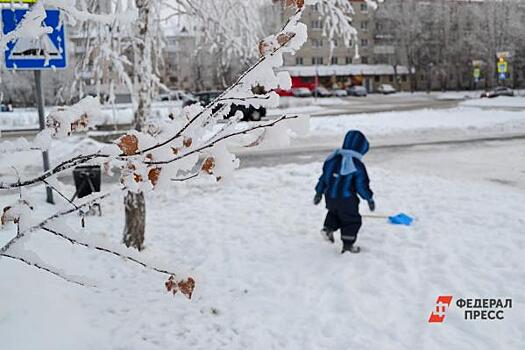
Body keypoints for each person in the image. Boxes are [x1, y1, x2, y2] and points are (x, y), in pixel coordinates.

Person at [313, 130, 375, 254]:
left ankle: (328, 228)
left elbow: (324, 178)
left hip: (330, 197)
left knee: (334, 213)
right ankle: (348, 246)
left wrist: (319, 192)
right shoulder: (356, 165)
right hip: (347, 200)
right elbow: (361, 185)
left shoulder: (332, 159)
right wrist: (369, 198)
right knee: (351, 220)